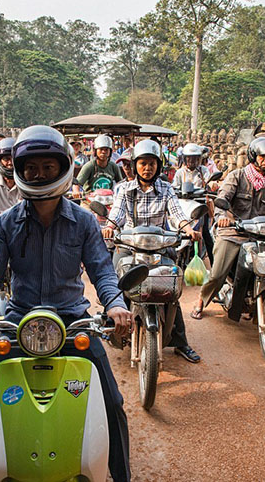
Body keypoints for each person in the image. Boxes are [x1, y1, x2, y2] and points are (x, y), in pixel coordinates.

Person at [0, 125, 133, 482]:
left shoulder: (83, 221)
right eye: (31, 168)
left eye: (48, 167)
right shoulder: (4, 224)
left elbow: (102, 272)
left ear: (63, 167)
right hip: (18, 322)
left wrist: (114, 305)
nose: (39, 175)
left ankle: (122, 477)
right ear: (18, 171)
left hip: (73, 322)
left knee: (113, 405)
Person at [191, 137, 265, 337]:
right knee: (218, 272)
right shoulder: (236, 176)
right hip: (234, 233)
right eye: (263, 156)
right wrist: (223, 218)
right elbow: (222, 201)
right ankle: (202, 299)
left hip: (260, 236)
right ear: (254, 156)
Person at [103, 139, 203, 363]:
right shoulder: (125, 189)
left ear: (159, 165)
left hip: (160, 246)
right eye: (143, 163)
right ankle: (111, 323)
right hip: (130, 246)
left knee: (171, 288)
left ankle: (180, 343)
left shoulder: (166, 188)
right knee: (116, 278)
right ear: (135, 165)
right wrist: (110, 227)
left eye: (152, 163)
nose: (147, 168)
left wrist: (188, 228)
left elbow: (176, 213)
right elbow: (117, 213)